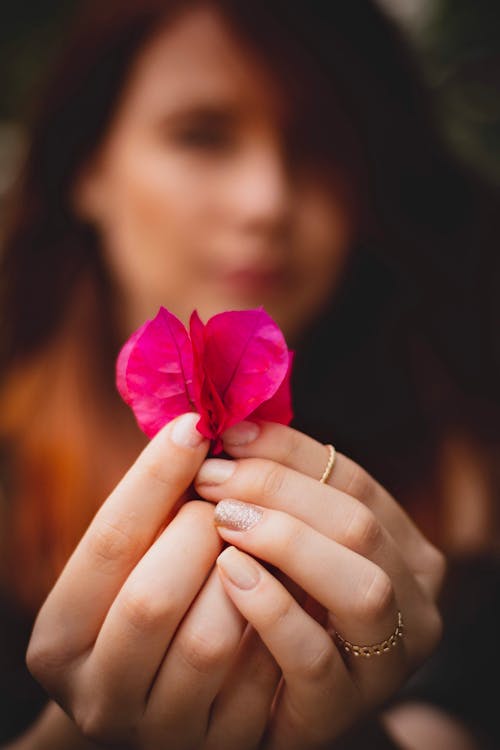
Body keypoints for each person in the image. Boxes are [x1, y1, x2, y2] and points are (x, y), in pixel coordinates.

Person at [0, 0, 499, 747]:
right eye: (202, 135)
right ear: (89, 167)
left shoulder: (466, 472)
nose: (267, 201)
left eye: (320, 146)